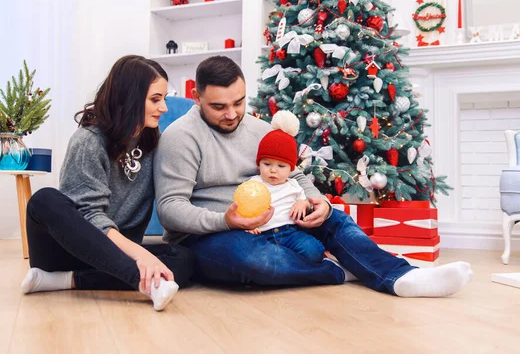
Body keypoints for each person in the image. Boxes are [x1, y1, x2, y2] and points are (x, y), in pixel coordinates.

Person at [155, 56, 472, 297]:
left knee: (334, 217)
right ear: (196, 97)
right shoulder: (179, 137)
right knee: (250, 260)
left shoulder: (259, 130)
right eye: (219, 106)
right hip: (213, 234)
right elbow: (170, 208)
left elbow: (296, 174)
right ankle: (338, 271)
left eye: (238, 102)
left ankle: (401, 277)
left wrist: (316, 201)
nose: (232, 114)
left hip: (278, 220)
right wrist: (226, 220)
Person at [20, 55, 195, 311]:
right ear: (130, 98)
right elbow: (89, 217)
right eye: (155, 99)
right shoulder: (88, 141)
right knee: (44, 199)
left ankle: (66, 281)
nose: (164, 108)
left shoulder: (150, 140)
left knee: (184, 259)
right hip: (70, 251)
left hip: (118, 253)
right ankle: (145, 284)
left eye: (164, 99)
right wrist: (140, 255)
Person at [245, 109, 325, 264]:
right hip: (261, 234)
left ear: (291, 168)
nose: (273, 170)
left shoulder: (294, 185)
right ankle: (287, 262)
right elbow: (243, 208)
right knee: (254, 256)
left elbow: (307, 203)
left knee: (314, 250)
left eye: (281, 166)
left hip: (290, 233)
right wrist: (248, 226)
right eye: (267, 164)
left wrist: (303, 203)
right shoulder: (253, 184)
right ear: (259, 164)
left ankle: (284, 262)